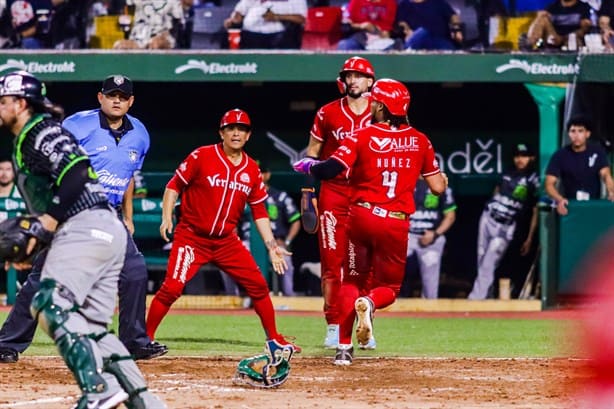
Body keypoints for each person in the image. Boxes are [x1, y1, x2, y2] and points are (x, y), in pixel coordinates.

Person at [0, 70, 165, 408]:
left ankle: (100, 389)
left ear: (20, 103)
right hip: (100, 225)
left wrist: (46, 223)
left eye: (3, 101)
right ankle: (143, 399)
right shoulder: (46, 131)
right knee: (92, 324)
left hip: (83, 223)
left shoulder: (39, 131)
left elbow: (75, 172)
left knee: (49, 302)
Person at [293, 78, 447, 365]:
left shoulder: (361, 136)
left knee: (350, 280)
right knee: (389, 288)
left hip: (361, 216)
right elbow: (438, 187)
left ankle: (342, 349)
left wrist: (307, 165)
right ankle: (371, 303)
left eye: (376, 102)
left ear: (382, 106)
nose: (373, 105)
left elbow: (328, 169)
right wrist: (443, 180)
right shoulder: (420, 140)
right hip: (395, 222)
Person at [145, 108, 301, 355]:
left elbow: (260, 211)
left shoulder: (251, 169)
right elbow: (173, 186)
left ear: (248, 135)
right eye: (231, 128)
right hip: (192, 237)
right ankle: (144, 339)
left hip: (226, 241)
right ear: (222, 132)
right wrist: (166, 217)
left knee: (259, 286)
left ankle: (274, 339)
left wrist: (272, 247)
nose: (236, 133)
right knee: (172, 287)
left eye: (242, 129)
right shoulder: (202, 155)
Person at [304, 55, 376, 350]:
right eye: (349, 75)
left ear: (371, 81)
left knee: (366, 265)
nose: (353, 80)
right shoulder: (328, 113)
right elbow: (312, 154)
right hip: (334, 191)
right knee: (332, 264)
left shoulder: (381, 113)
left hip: (368, 193)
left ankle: (366, 323)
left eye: (359, 75)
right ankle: (334, 323)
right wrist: (308, 194)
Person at [468, 143, 540, 300]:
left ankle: (475, 299)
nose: (520, 159)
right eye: (517, 156)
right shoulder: (507, 172)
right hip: (488, 217)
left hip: (506, 226)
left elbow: (536, 210)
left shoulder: (533, 179)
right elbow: (497, 191)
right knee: (481, 258)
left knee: (489, 261)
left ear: (532, 158)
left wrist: (529, 238)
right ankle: (486, 295)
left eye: (524, 156)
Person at [236, 162, 301, 296]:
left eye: (261, 172)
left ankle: (289, 298)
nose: (258, 175)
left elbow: (296, 221)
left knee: (285, 259)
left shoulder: (280, 196)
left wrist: (287, 241)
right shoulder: (239, 195)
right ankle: (236, 297)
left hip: (274, 241)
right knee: (227, 259)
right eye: (255, 172)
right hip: (248, 242)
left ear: (267, 175)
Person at [545, 116, 614, 216]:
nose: (576, 135)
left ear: (587, 134)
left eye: (580, 131)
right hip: (569, 207)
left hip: (593, 207)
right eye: (573, 131)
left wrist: (612, 191)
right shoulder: (560, 155)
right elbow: (549, 184)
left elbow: (606, 175)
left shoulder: (598, 152)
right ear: (568, 134)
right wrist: (559, 199)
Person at [405, 177, 456, 298]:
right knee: (391, 270)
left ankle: (429, 309)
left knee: (430, 284)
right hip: (407, 235)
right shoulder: (405, 180)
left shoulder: (441, 184)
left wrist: (435, 234)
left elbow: (450, 216)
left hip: (432, 238)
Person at [222, 0, 307, 49]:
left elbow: (302, 19)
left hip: (279, 35)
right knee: (226, 37)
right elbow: (239, 13)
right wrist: (234, 20)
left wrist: (276, 17)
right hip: (250, 35)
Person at [393, 0, 464, 51]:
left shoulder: (438, 2)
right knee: (421, 33)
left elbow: (453, 16)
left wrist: (456, 28)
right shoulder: (404, 4)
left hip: (439, 39)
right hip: (418, 40)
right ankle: (407, 49)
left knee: (448, 48)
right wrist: (407, 31)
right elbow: (401, 22)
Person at [113, 0, 185, 49]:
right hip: (138, 40)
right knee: (118, 45)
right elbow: (126, 16)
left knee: (154, 46)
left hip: (162, 40)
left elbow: (178, 26)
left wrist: (166, 40)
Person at [524, 0, 592, 50]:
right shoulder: (552, 7)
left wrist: (563, 38)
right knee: (541, 18)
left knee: (574, 39)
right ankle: (528, 46)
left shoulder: (584, 7)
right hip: (553, 37)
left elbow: (585, 29)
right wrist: (539, 17)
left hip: (572, 39)